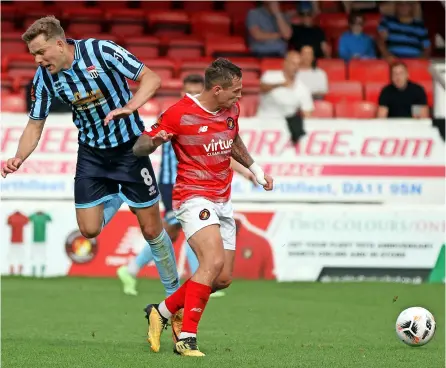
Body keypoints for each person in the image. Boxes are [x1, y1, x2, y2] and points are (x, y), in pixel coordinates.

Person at [0, 16, 181, 306]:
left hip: (130, 150)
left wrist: (129, 107)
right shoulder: (45, 78)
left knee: (152, 230)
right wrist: (19, 157)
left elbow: (152, 78)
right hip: (92, 154)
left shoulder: (101, 51)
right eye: (33, 54)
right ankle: (120, 195)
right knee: (89, 230)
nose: (36, 60)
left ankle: (174, 296)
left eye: (40, 52)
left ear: (59, 44)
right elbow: (35, 123)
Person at [132, 58, 274, 356]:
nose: (240, 96)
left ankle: (161, 311)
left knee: (222, 278)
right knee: (210, 263)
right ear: (218, 89)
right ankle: (187, 337)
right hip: (192, 196)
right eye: (235, 91)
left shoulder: (230, 109)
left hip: (223, 199)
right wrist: (154, 142)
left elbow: (232, 138)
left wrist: (255, 169)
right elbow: (140, 146)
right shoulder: (179, 114)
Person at [117, 74, 256, 299]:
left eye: (194, 91)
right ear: (182, 91)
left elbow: (218, 153)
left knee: (175, 232)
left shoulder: (205, 118)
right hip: (174, 185)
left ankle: (132, 269)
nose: (190, 96)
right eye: (187, 91)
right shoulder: (177, 116)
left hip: (193, 187)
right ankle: (201, 276)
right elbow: (145, 143)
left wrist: (247, 171)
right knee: (191, 230)